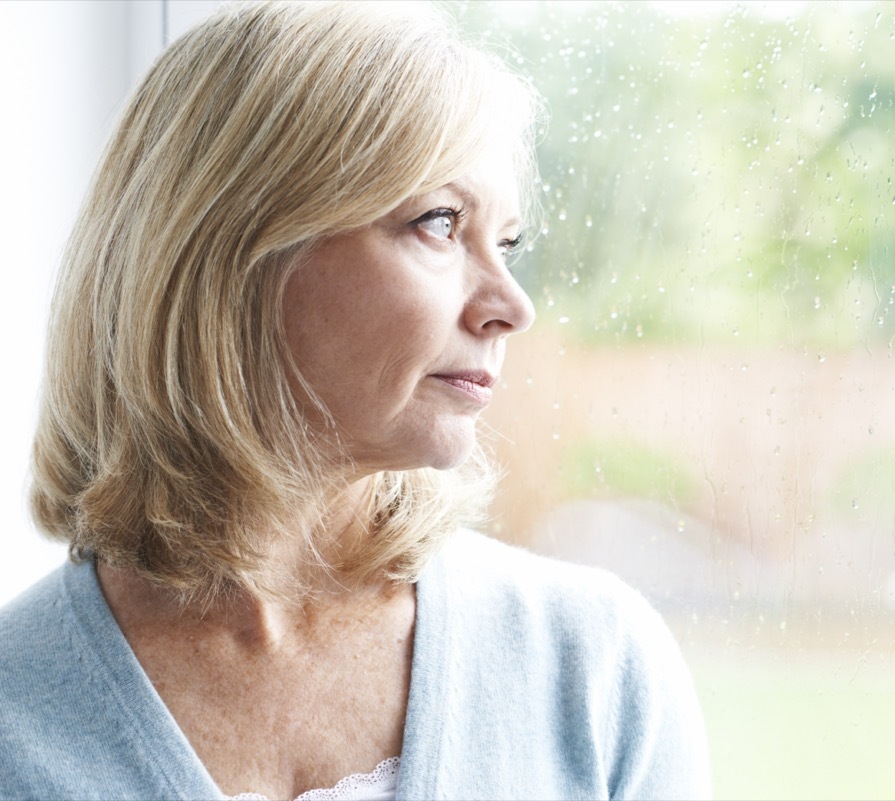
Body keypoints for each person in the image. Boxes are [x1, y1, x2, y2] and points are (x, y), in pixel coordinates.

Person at [0, 2, 710, 799]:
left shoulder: (594, 670)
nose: (512, 304)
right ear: (229, 252)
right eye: (441, 223)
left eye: (506, 243)